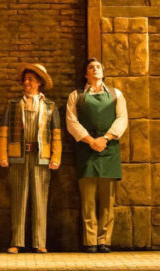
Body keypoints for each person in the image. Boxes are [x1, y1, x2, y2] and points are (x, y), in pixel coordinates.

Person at [0, 63, 62, 254]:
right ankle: (16, 241)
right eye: (25, 79)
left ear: (39, 82)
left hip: (41, 158)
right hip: (18, 157)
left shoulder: (50, 106)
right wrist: (3, 155)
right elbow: (3, 133)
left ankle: (39, 242)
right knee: (18, 200)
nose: (26, 82)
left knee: (40, 200)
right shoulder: (12, 105)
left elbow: (57, 134)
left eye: (31, 79)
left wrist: (55, 157)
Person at [66, 58, 127, 253]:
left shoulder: (117, 94)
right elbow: (71, 121)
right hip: (86, 150)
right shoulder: (76, 96)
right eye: (91, 67)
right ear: (86, 74)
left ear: (103, 72)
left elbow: (122, 119)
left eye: (98, 67)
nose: (95, 69)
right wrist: (90, 140)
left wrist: (105, 138)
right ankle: (90, 241)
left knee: (108, 200)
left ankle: (105, 240)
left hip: (109, 150)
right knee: (88, 199)